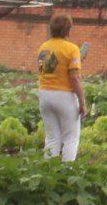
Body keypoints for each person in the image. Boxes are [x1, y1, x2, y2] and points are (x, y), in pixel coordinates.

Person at [35, 13, 87, 161]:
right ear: (68, 30)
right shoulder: (72, 49)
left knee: (52, 137)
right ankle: (67, 173)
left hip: (45, 94)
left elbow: (50, 67)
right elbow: (75, 77)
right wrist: (82, 103)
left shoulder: (43, 47)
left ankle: (48, 172)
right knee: (71, 138)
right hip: (64, 96)